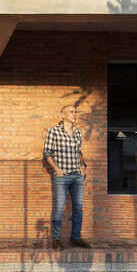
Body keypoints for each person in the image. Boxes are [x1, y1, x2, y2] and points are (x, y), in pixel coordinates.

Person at [43, 104, 91, 249]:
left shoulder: (77, 133)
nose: (74, 114)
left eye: (75, 112)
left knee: (78, 208)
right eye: (71, 112)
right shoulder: (54, 131)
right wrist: (56, 169)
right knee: (58, 208)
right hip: (61, 176)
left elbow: (79, 153)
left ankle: (75, 238)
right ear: (62, 115)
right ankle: (56, 239)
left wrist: (83, 166)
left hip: (77, 176)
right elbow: (46, 153)